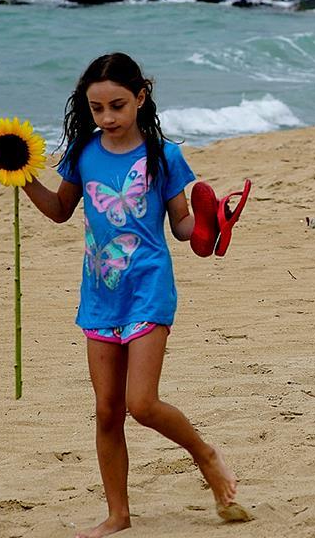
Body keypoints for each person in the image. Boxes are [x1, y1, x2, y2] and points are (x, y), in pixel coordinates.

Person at [20, 52, 250, 538]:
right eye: (96, 108)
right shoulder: (83, 152)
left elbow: (183, 225)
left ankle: (206, 456)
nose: (107, 117)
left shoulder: (163, 156)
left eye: (117, 106)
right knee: (107, 410)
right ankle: (118, 515)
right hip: (100, 293)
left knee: (141, 404)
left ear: (141, 97)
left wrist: (210, 226)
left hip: (148, 286)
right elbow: (60, 210)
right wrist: (22, 177)